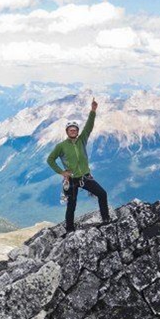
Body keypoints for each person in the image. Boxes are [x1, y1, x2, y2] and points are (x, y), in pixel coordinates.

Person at [47, 98, 110, 233]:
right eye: (70, 130)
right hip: (72, 180)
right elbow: (50, 159)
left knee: (102, 194)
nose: (73, 131)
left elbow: (89, 127)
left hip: (85, 177)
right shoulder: (61, 146)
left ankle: (106, 220)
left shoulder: (82, 140)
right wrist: (62, 172)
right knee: (71, 205)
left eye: (75, 129)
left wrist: (93, 111)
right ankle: (70, 230)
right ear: (67, 131)